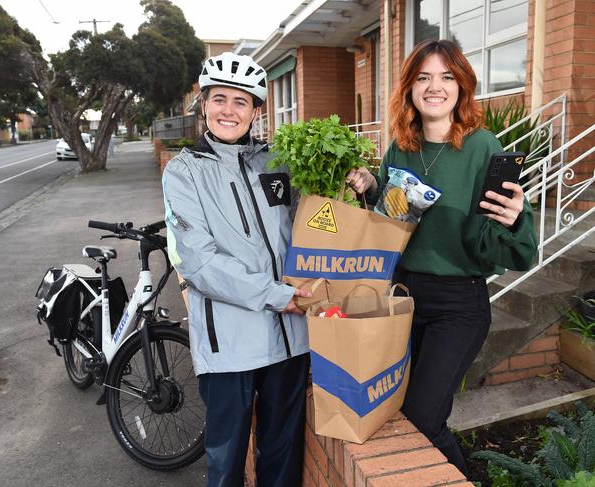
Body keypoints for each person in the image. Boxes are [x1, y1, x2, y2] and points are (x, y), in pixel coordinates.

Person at [347, 39, 537, 476]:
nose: (435, 86)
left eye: (447, 76)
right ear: (410, 87)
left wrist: (512, 222)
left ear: (462, 86)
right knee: (392, 409)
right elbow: (393, 220)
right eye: (424, 77)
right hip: (403, 297)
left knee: (422, 416)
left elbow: (517, 251)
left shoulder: (484, 147)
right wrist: (372, 189)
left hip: (459, 303)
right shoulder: (401, 146)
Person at [161, 52, 311, 487]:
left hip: (290, 341)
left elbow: (317, 223)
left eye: (241, 102)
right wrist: (277, 295)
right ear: (203, 105)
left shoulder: (280, 161)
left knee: (282, 458)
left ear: (256, 110)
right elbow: (200, 261)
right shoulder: (184, 172)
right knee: (226, 462)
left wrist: (360, 184)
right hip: (229, 344)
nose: (229, 110)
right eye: (219, 99)